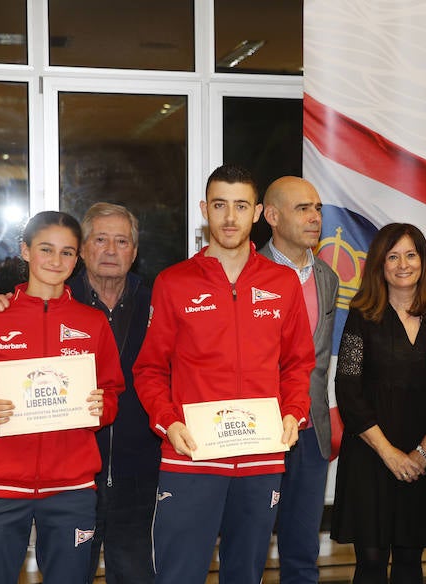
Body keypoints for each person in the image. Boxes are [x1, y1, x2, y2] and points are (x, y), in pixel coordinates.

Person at [133, 164, 315, 584]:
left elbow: (299, 362)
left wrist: (294, 411)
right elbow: (149, 368)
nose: (230, 218)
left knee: (246, 575)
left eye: (240, 206)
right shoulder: (173, 282)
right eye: (219, 205)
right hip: (192, 456)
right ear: (205, 210)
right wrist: (168, 421)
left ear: (256, 213)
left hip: (261, 457)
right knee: (178, 575)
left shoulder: (282, 282)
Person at [0, 203, 160, 583]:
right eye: (100, 239)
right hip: (73, 475)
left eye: (122, 241)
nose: (111, 249)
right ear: (84, 252)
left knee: (135, 572)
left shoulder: (158, 301)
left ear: (135, 251)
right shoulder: (57, 297)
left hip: (139, 469)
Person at [0, 211, 125, 583]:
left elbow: (112, 394)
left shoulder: (92, 323)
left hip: (71, 488)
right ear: (25, 251)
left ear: (77, 259)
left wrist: (100, 407)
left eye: (67, 252)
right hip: (0, 485)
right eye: (46, 249)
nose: (56, 261)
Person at [332, 223, 426, 584]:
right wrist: (390, 454)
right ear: (379, 264)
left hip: (425, 456)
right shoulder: (362, 314)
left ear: (423, 260)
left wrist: (423, 453)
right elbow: (347, 388)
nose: (403, 264)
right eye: (393, 256)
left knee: (409, 560)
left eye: (411, 254)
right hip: (371, 455)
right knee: (370, 562)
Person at [259, 176, 339, 584]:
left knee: (303, 546)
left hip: (310, 428)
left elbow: (318, 359)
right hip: (259, 426)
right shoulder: (248, 275)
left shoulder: (327, 277)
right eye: (302, 209)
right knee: (250, 541)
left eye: (318, 208)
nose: (315, 218)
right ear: (272, 216)